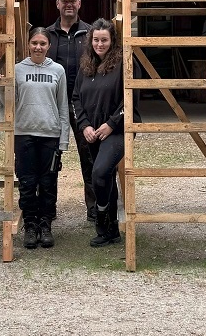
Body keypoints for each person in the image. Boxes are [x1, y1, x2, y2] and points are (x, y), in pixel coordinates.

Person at [0, 28, 70, 249]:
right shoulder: (17, 69)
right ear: (28, 44)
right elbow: (10, 103)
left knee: (48, 182)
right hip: (24, 133)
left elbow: (63, 107)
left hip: (50, 134)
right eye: (34, 42)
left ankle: (45, 225)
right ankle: (30, 225)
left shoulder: (58, 70)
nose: (38, 47)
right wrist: (1, 86)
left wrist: (63, 140)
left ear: (49, 46)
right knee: (27, 182)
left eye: (43, 43)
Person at [72, 18, 133, 247]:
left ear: (112, 40)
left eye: (104, 40)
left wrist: (112, 124)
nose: (100, 44)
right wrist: (84, 125)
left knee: (99, 173)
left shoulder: (123, 63)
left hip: (117, 130)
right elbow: (76, 98)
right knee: (104, 176)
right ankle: (111, 231)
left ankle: (101, 220)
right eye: (96, 40)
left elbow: (130, 99)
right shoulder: (86, 65)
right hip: (93, 131)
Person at [46, 0, 94, 222]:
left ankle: (95, 210)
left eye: (72, 1)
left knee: (90, 156)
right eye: (64, 0)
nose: (68, 4)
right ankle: (48, 208)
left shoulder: (90, 33)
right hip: (52, 106)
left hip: (83, 106)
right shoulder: (46, 35)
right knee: (50, 157)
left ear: (79, 4)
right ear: (57, 4)